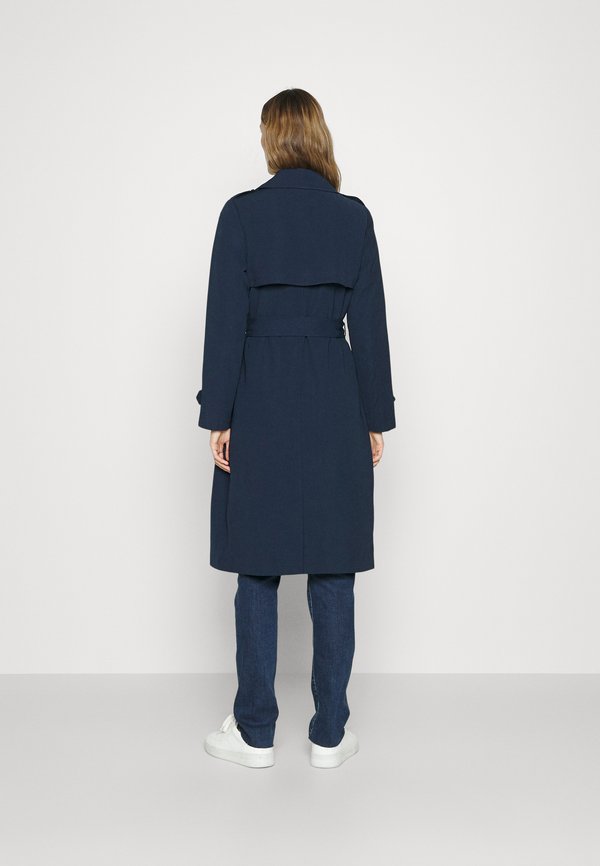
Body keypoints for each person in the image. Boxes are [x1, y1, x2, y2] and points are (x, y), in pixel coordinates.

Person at [196, 88, 396, 769]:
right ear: (318, 136)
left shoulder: (242, 215)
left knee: (256, 565)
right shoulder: (352, 217)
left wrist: (218, 415)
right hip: (335, 398)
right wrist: (375, 417)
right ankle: (329, 734)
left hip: (260, 398)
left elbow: (224, 322)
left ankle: (255, 732)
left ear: (272, 139)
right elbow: (369, 328)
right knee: (334, 566)